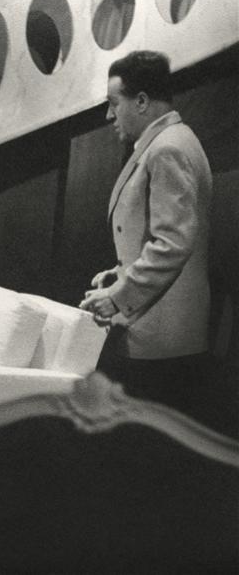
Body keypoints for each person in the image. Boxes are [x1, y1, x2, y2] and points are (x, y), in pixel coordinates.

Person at [79, 50, 212, 414]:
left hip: (162, 341)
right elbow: (159, 235)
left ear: (140, 101)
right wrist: (119, 272)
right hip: (162, 332)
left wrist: (117, 297)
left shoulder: (167, 148)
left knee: (146, 439)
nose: (109, 116)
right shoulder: (170, 141)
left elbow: (172, 242)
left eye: (113, 103)